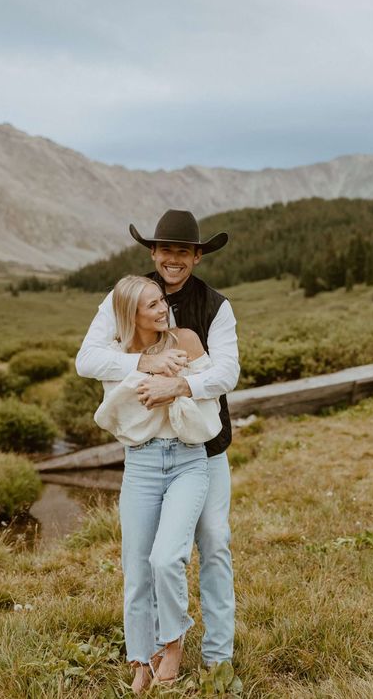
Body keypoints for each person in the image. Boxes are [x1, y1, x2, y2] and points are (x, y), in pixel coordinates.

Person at [76, 209, 239, 674]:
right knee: (145, 556)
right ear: (153, 252)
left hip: (205, 447)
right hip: (148, 446)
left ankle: (218, 658)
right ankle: (151, 651)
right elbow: (88, 357)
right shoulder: (125, 295)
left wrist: (182, 385)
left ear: (197, 257)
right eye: (166, 249)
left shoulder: (216, 306)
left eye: (183, 251)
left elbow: (227, 372)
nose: (173, 259)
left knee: (214, 543)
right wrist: (141, 366)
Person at [92, 274, 222, 693]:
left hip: (187, 460)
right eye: (151, 305)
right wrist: (145, 374)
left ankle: (172, 641)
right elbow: (116, 416)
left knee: (166, 559)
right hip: (142, 462)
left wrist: (177, 388)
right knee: (136, 567)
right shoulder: (118, 356)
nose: (163, 307)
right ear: (132, 314)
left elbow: (209, 406)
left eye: (161, 300)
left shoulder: (186, 341)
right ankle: (139, 657)